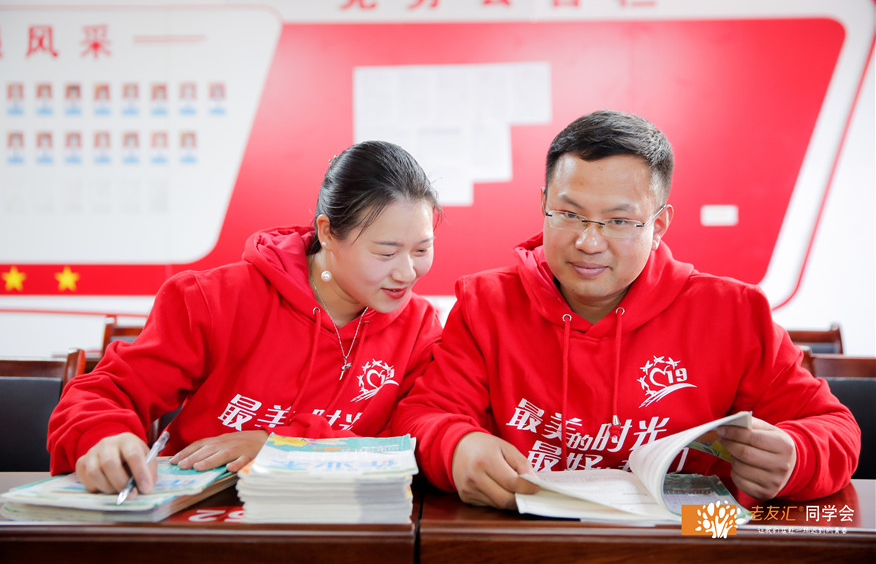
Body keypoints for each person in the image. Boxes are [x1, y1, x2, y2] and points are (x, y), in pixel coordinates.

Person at [393, 110, 860, 510]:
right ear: (543, 204)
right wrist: (456, 446)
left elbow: (836, 429)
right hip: (533, 531)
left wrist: (796, 456)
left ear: (659, 225)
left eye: (618, 221)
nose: (588, 242)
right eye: (569, 214)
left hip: (690, 537)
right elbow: (423, 414)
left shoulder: (734, 313)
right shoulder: (487, 303)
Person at [49, 140, 443, 497]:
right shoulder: (214, 299)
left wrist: (282, 447)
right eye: (386, 253)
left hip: (339, 520)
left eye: (421, 250)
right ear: (327, 233)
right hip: (205, 517)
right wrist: (104, 437)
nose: (407, 272)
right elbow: (106, 391)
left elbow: (412, 442)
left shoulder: (418, 328)